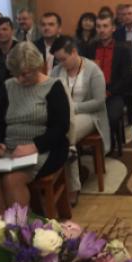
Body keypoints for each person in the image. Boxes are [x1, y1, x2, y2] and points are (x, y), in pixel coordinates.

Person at [0, 42, 70, 215]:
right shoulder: (8, 86)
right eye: (16, 74)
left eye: (25, 74)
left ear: (37, 66)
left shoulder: (53, 87)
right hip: (10, 150)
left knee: (12, 180)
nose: (20, 79)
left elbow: (61, 127)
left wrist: (34, 146)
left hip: (44, 149)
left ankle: (20, 232)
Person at [51, 36, 111, 205]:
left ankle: (73, 187)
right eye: (58, 60)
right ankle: (56, 179)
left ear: (74, 52)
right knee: (58, 133)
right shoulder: (56, 71)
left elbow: (99, 102)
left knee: (66, 134)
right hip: (64, 116)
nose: (61, 63)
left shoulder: (93, 70)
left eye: (63, 59)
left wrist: (73, 108)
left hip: (90, 115)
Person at [84, 14, 132, 147]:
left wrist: (108, 92)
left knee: (111, 116)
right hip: (93, 93)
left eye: (105, 26)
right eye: (99, 26)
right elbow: (85, 73)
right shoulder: (90, 48)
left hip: (114, 93)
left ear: (113, 28)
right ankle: (93, 145)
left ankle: (108, 144)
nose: (102, 30)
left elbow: (126, 78)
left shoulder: (123, 49)